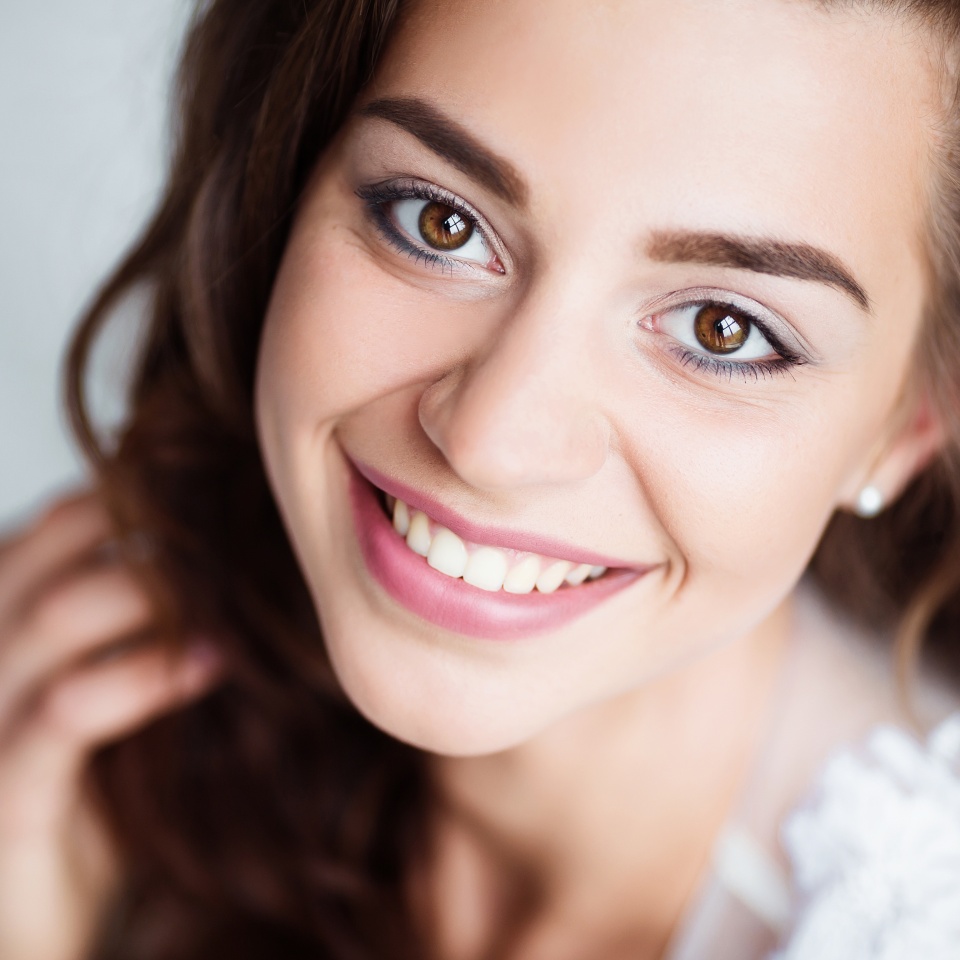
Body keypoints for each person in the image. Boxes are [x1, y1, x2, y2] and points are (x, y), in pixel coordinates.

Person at [2, 0, 960, 957]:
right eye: (439, 221)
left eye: (723, 330)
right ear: (288, 180)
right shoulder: (69, 754)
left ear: (907, 427)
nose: (490, 440)